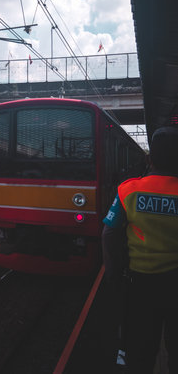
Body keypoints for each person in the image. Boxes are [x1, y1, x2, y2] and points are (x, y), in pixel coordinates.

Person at [102, 126, 178, 374]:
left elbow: (110, 234)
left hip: (140, 285)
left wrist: (114, 272)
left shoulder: (129, 190)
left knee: (140, 351)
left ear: (149, 159)